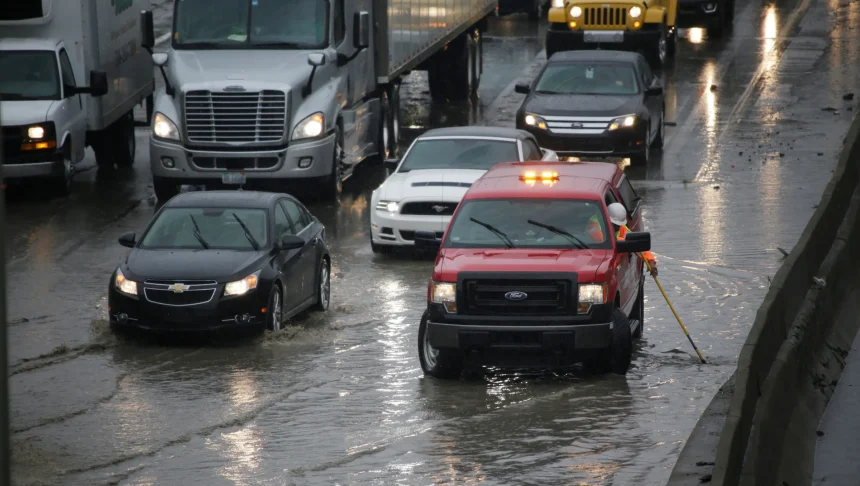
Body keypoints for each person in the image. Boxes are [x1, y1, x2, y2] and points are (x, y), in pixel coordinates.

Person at [608, 202, 658, 277]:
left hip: (612, 272)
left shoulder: (621, 228)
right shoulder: (595, 227)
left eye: (619, 225)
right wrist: (624, 242)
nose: (617, 228)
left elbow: (635, 243)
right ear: (608, 220)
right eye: (615, 225)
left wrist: (650, 261)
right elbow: (607, 241)